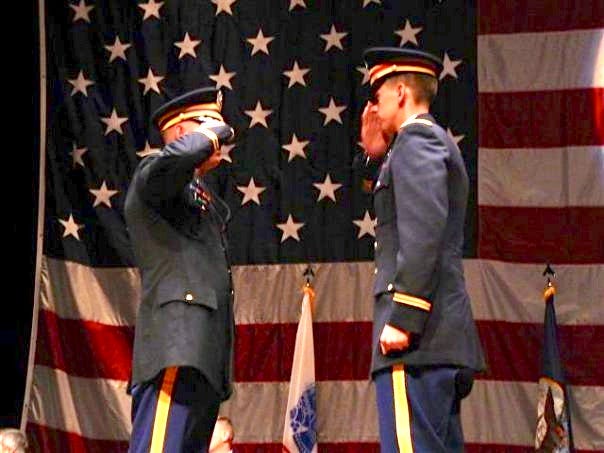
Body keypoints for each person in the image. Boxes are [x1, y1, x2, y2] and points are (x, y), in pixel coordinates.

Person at [360, 47, 486, 452]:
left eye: (377, 97)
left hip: (418, 344)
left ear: (400, 93)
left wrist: (405, 317)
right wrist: (373, 155)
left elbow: (423, 233)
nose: (373, 109)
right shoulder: (420, 144)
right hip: (434, 344)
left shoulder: (417, 141)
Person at [125, 86, 236, 452]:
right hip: (176, 343)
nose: (218, 137)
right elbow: (175, 161)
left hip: (203, 350)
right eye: (207, 126)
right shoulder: (154, 177)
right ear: (176, 134)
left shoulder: (198, 196)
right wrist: (210, 135)